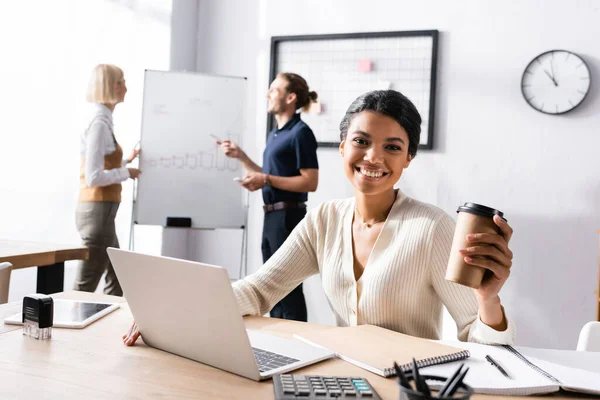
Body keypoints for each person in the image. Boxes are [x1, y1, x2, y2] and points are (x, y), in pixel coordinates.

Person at [123, 89, 515, 346]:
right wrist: (178, 310)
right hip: (344, 381)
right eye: (361, 142)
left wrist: (488, 299)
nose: (373, 158)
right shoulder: (324, 219)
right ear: (342, 146)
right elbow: (260, 291)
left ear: (408, 158)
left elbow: (474, 336)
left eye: (392, 147)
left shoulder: (431, 227)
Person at [217, 72, 319, 322]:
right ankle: (278, 339)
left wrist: (266, 180)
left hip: (289, 217)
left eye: (274, 90)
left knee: (289, 288)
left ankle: (296, 342)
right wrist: (242, 157)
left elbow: (310, 181)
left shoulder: (301, 133)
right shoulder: (275, 134)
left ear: (291, 97)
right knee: (272, 287)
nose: (268, 94)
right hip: (272, 216)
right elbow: (267, 175)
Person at [74, 64, 141, 296]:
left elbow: (103, 168)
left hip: (103, 214)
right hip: (97, 213)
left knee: (117, 276)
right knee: (86, 286)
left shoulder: (103, 121)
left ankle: (104, 325)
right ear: (112, 86)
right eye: (122, 82)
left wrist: (126, 162)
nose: (126, 88)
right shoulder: (100, 124)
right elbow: (93, 177)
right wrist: (127, 173)